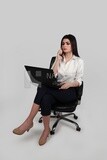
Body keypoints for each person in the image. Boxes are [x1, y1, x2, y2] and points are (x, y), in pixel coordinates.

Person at [13, 34, 84, 146]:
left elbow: (79, 81)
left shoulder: (78, 61)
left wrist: (69, 84)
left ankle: (28, 121)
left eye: (67, 43)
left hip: (69, 91)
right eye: (63, 43)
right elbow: (52, 76)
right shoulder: (59, 59)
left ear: (73, 45)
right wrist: (57, 59)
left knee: (43, 87)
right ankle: (46, 130)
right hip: (57, 88)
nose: (64, 45)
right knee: (45, 97)